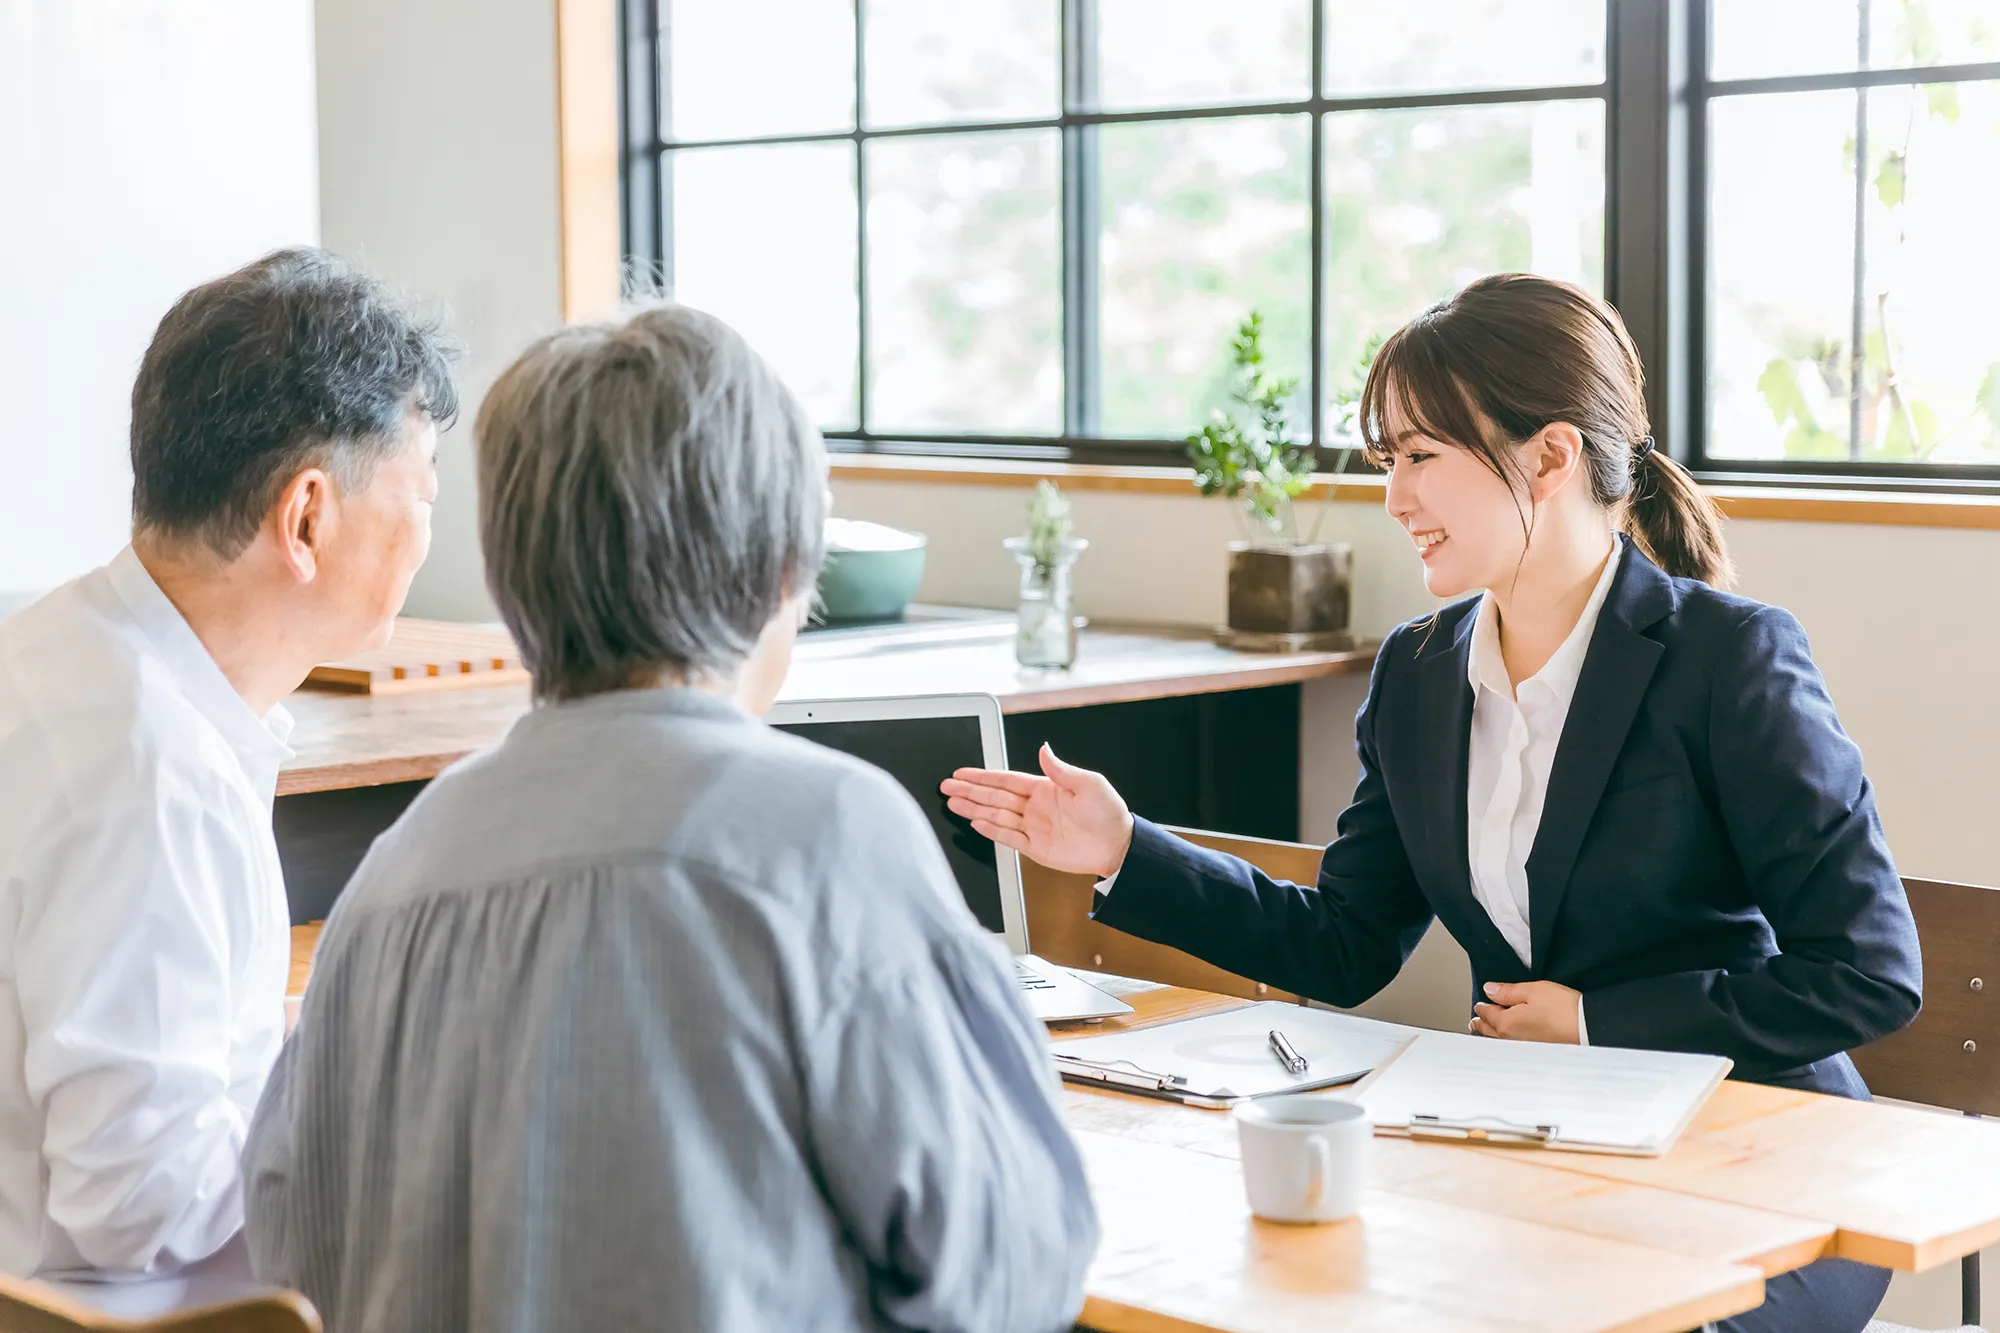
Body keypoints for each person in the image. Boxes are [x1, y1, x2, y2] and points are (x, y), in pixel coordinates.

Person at [943, 274, 1922, 1333]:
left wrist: (1594, 1022)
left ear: (1549, 457)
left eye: (1419, 456)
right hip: (1536, 1157)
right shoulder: (1417, 673)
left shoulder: (1726, 659)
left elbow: (1867, 974)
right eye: (1387, 460)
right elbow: (1345, 943)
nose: (1395, 498)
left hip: (1759, 1170)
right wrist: (1122, 846)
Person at [243, 303, 1099, 1332]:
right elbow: (1010, 1267)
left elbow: (290, 1241)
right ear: (784, 569)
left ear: (513, 580)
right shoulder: (826, 834)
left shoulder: (394, 875)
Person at [0, 248, 456, 1282]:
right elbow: (140, 1204)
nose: (428, 532)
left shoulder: (56, 652)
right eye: (421, 492)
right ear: (306, 517)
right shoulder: (152, 768)